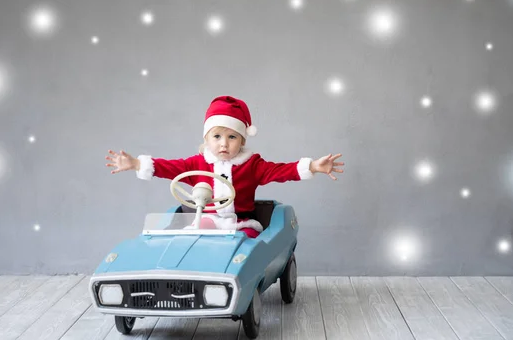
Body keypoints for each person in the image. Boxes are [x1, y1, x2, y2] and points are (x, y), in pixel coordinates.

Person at [106, 95, 344, 238]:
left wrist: (312, 166)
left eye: (232, 137)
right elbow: (168, 167)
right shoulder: (197, 163)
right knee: (192, 237)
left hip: (241, 224)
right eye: (217, 136)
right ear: (206, 139)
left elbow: (281, 171)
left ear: (242, 140)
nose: (224, 144)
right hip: (206, 221)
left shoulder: (251, 164)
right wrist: (137, 163)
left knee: (248, 245)